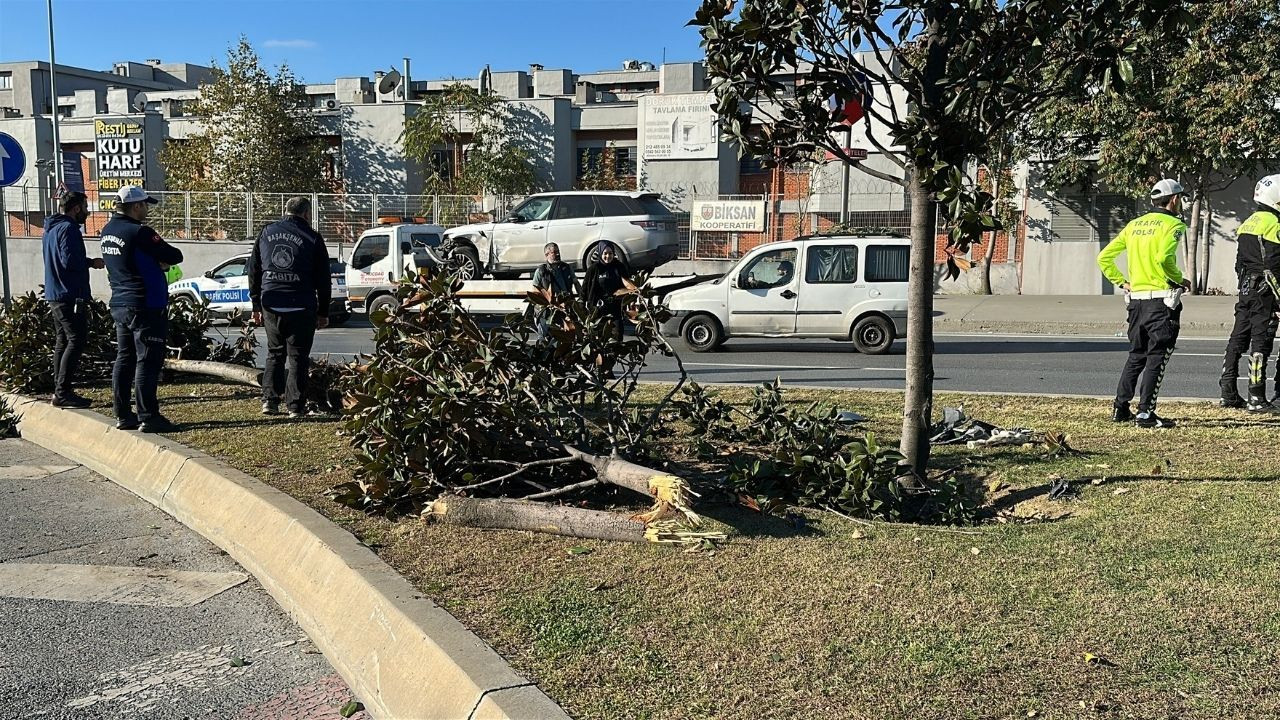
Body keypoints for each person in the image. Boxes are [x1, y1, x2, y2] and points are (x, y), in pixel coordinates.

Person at [1097, 178, 1191, 429]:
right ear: (1173, 200)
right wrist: (1180, 279)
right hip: (1161, 302)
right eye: (1180, 198)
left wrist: (1122, 281)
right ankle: (1145, 413)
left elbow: (1104, 257)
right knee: (1157, 357)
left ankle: (1120, 408)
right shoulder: (1174, 224)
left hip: (1136, 301)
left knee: (1136, 356)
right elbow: (1163, 259)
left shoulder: (1134, 225)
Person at [100, 185, 183, 433]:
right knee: (147, 361)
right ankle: (149, 416)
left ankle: (123, 414)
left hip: (121, 303)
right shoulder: (140, 232)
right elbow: (174, 255)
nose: (147, 209)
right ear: (136, 206)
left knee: (124, 359)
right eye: (145, 205)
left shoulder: (108, 230)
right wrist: (160, 262)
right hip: (145, 304)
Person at [248, 196, 331, 418]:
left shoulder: (266, 232)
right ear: (306, 214)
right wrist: (324, 312)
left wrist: (256, 304)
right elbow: (324, 279)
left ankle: (270, 401)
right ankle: (295, 406)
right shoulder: (312, 237)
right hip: (301, 305)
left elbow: (254, 270)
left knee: (275, 353)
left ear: (285, 211)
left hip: (271, 303)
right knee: (298, 357)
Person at [1218, 175, 1280, 411]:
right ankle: (1256, 397)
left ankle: (1228, 393)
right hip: (1265, 292)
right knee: (1261, 342)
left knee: (1237, 339)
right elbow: (1273, 266)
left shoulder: (1249, 222)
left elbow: (1239, 263)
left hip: (1246, 288)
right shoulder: (1274, 224)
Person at [42, 191, 106, 408]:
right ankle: (63, 392)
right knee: (76, 340)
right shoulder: (69, 229)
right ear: (76, 208)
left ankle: (59, 389)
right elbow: (69, 260)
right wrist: (91, 263)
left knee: (63, 341)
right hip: (69, 294)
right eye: (85, 207)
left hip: (55, 292)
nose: (87, 212)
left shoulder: (51, 228)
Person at [531, 242, 580, 340]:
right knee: (546, 339)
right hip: (548, 312)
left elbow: (576, 283)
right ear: (547, 255)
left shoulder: (566, 268)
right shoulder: (541, 271)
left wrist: (581, 298)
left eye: (558, 252)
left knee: (567, 337)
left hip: (565, 309)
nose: (557, 254)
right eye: (554, 252)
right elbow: (535, 292)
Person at [583, 245, 627, 340]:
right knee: (599, 336)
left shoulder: (619, 267)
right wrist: (582, 303)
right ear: (600, 254)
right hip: (598, 309)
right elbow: (585, 287)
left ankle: (615, 354)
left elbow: (627, 284)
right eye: (605, 253)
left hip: (615, 307)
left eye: (610, 253)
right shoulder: (594, 268)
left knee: (617, 335)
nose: (608, 256)